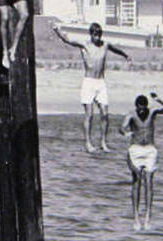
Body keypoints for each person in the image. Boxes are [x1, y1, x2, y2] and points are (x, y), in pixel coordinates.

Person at [52, 22, 131, 153]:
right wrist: (57, 30)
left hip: (101, 82)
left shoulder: (105, 45)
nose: (98, 38)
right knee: (89, 115)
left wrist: (125, 55)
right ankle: (88, 143)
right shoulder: (85, 45)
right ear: (91, 34)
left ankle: (103, 143)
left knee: (105, 114)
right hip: (88, 82)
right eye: (95, 35)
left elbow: (116, 49)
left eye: (99, 35)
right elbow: (68, 40)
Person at [119, 92, 163, 231]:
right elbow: (121, 127)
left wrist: (158, 99)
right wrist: (125, 132)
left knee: (149, 182)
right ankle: (136, 218)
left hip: (150, 150)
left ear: (146, 106)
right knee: (136, 181)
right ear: (136, 106)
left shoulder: (152, 112)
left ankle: (148, 217)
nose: (142, 110)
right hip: (136, 149)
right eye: (139, 108)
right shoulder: (131, 114)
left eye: (143, 108)